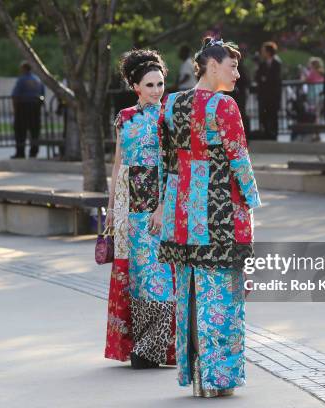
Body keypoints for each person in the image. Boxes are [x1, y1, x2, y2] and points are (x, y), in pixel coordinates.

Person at [159, 38, 261, 398]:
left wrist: (164, 205)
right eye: (232, 66)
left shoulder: (170, 103)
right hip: (219, 213)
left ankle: (197, 376)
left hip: (182, 214)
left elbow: (167, 162)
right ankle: (220, 378)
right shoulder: (225, 105)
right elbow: (239, 160)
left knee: (188, 295)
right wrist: (251, 202)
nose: (237, 72)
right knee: (221, 296)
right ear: (212, 66)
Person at [104, 49, 176, 370]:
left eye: (160, 83)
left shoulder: (169, 117)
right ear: (135, 85)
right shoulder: (125, 117)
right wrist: (110, 208)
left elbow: (173, 166)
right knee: (137, 278)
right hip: (129, 209)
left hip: (159, 208)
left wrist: (163, 207)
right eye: (150, 85)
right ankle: (142, 346)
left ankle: (155, 347)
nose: (157, 90)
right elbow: (119, 162)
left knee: (160, 277)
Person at [11, 61, 45, 158]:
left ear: (24, 69)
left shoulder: (21, 80)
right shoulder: (37, 80)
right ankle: (34, 151)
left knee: (20, 130)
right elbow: (42, 95)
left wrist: (15, 110)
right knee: (35, 130)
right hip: (35, 107)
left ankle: (20, 152)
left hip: (23, 106)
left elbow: (15, 95)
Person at [255, 41, 282, 139]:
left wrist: (265, 79)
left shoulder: (277, 63)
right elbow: (258, 77)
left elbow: (275, 79)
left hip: (273, 95)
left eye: (264, 51)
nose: (262, 53)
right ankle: (266, 134)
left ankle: (274, 135)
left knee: (273, 115)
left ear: (269, 52)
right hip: (264, 95)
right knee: (264, 115)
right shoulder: (262, 64)